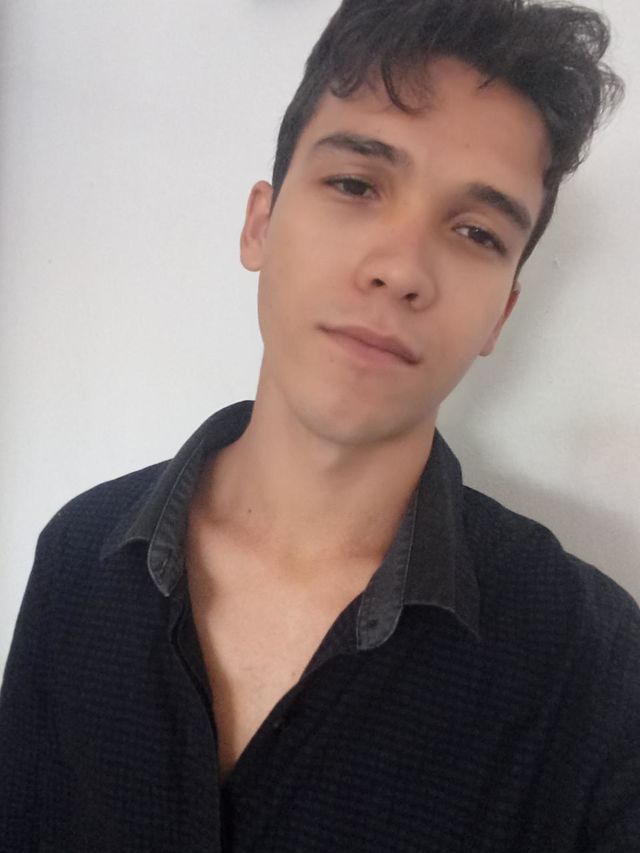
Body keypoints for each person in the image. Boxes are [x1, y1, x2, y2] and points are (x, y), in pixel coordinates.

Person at [1, 0, 638, 850]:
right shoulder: (77, 557)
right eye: (355, 185)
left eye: (476, 232)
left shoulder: (592, 662)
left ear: (502, 314)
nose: (401, 269)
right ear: (259, 224)